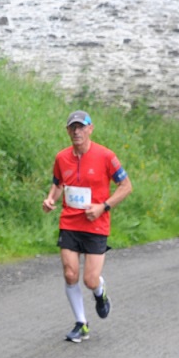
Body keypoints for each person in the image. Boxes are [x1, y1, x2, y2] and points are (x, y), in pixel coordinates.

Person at [42, 110, 133, 343]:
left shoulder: (106, 156)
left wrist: (104, 207)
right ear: (67, 131)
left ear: (90, 129)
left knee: (90, 280)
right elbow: (58, 183)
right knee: (70, 273)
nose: (77, 131)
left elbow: (126, 186)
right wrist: (50, 199)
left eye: (81, 127)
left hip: (96, 224)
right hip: (70, 222)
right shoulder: (62, 158)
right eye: (73, 127)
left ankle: (100, 293)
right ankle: (81, 324)